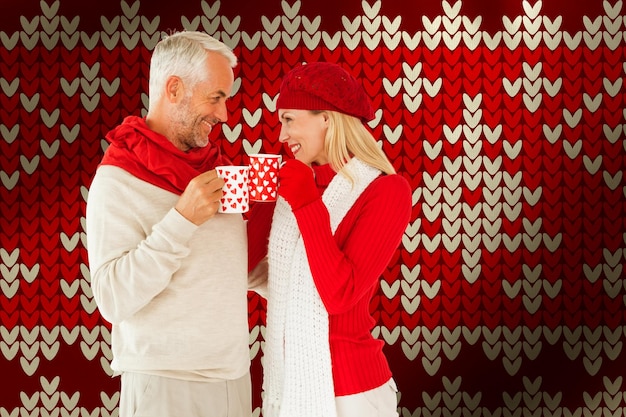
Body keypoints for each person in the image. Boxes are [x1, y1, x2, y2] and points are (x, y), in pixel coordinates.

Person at [86, 31, 259, 417]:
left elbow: (234, 270)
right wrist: (182, 220)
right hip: (162, 384)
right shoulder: (117, 180)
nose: (224, 115)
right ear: (175, 89)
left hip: (232, 380)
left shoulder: (218, 174)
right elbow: (113, 298)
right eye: (216, 98)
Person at [259, 62, 412, 417]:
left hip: (353, 395)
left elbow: (339, 293)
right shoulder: (300, 184)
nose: (282, 136)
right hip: (288, 385)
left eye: (289, 119)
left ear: (326, 117)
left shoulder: (385, 191)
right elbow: (264, 273)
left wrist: (306, 202)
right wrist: (258, 205)